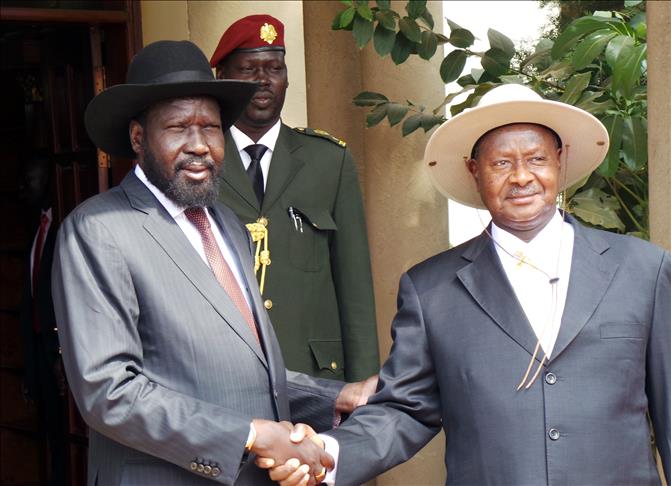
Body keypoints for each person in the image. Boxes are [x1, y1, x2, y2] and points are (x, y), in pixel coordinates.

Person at [266, 84, 670, 485]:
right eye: (502, 163)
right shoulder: (431, 290)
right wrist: (326, 454)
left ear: (560, 160)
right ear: (474, 170)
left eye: (536, 159)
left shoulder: (643, 270)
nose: (522, 177)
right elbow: (405, 410)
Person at [51, 40, 375, 486]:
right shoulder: (99, 230)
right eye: (179, 128)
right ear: (139, 138)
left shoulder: (225, 223)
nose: (200, 145)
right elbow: (109, 392)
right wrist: (249, 435)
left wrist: (337, 396)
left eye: (211, 128)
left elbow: (245, 371)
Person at [209, 15, 379, 382]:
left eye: (275, 68)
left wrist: (365, 384)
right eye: (248, 69)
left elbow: (354, 284)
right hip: (225, 374)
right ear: (222, 79)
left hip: (316, 373)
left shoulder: (328, 160)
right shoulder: (201, 161)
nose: (263, 80)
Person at [19, 153, 67, 485]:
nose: (23, 188)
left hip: (61, 354)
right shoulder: (38, 228)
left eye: (30, 180)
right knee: (52, 438)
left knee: (67, 439)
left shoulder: (66, 227)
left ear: (48, 180)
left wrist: (63, 352)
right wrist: (30, 366)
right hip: (41, 353)